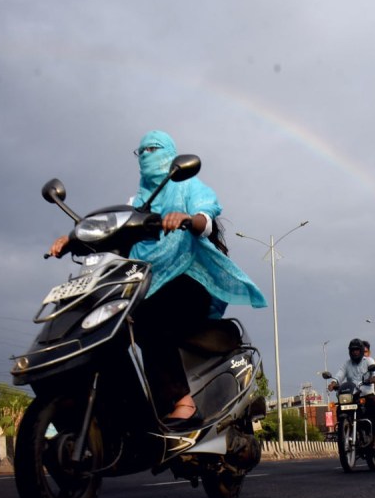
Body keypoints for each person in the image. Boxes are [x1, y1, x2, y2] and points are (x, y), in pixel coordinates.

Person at [48, 130, 267, 429]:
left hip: (189, 279)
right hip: (145, 283)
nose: (147, 155)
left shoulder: (188, 186)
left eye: (154, 148)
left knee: (149, 317)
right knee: (105, 326)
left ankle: (183, 402)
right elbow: (113, 231)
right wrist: (72, 239)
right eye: (142, 151)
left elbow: (206, 217)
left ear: (171, 154)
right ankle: (116, 411)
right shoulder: (138, 201)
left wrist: (187, 219)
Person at [327, 338, 375, 446]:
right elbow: (339, 375)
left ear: (361, 350)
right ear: (349, 351)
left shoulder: (368, 361)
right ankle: (343, 431)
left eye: (357, 350)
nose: (355, 352)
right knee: (339, 408)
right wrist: (333, 383)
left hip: (366, 394)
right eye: (353, 350)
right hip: (352, 396)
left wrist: (374, 378)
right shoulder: (347, 364)